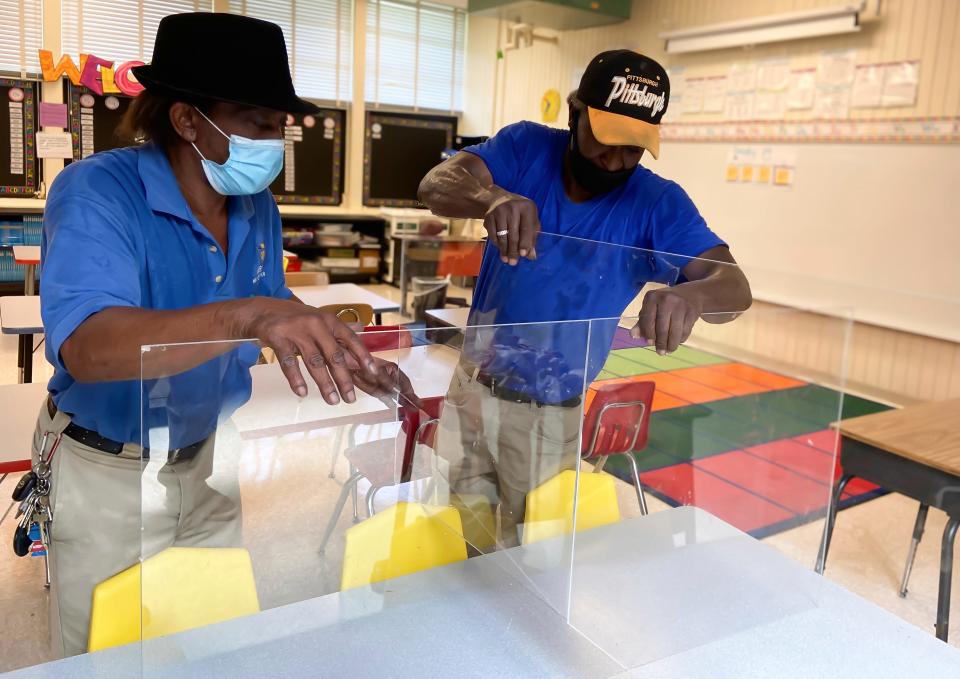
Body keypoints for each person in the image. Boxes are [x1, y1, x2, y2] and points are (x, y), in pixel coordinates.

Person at [34, 13, 406, 656]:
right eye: (258, 123)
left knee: (212, 640)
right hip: (110, 470)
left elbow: (268, 297)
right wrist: (249, 316)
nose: (276, 142)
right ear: (186, 120)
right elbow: (89, 347)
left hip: (209, 457)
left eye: (280, 127)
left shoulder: (255, 205)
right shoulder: (97, 192)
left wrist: (340, 347)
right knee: (109, 653)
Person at [418, 50, 752, 547]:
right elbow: (436, 184)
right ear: (575, 113)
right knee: (458, 533)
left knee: (534, 556)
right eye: (606, 140)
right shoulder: (526, 146)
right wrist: (491, 199)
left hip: (549, 411)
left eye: (633, 149)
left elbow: (735, 288)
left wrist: (695, 297)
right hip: (472, 388)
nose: (614, 161)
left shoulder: (657, 203)